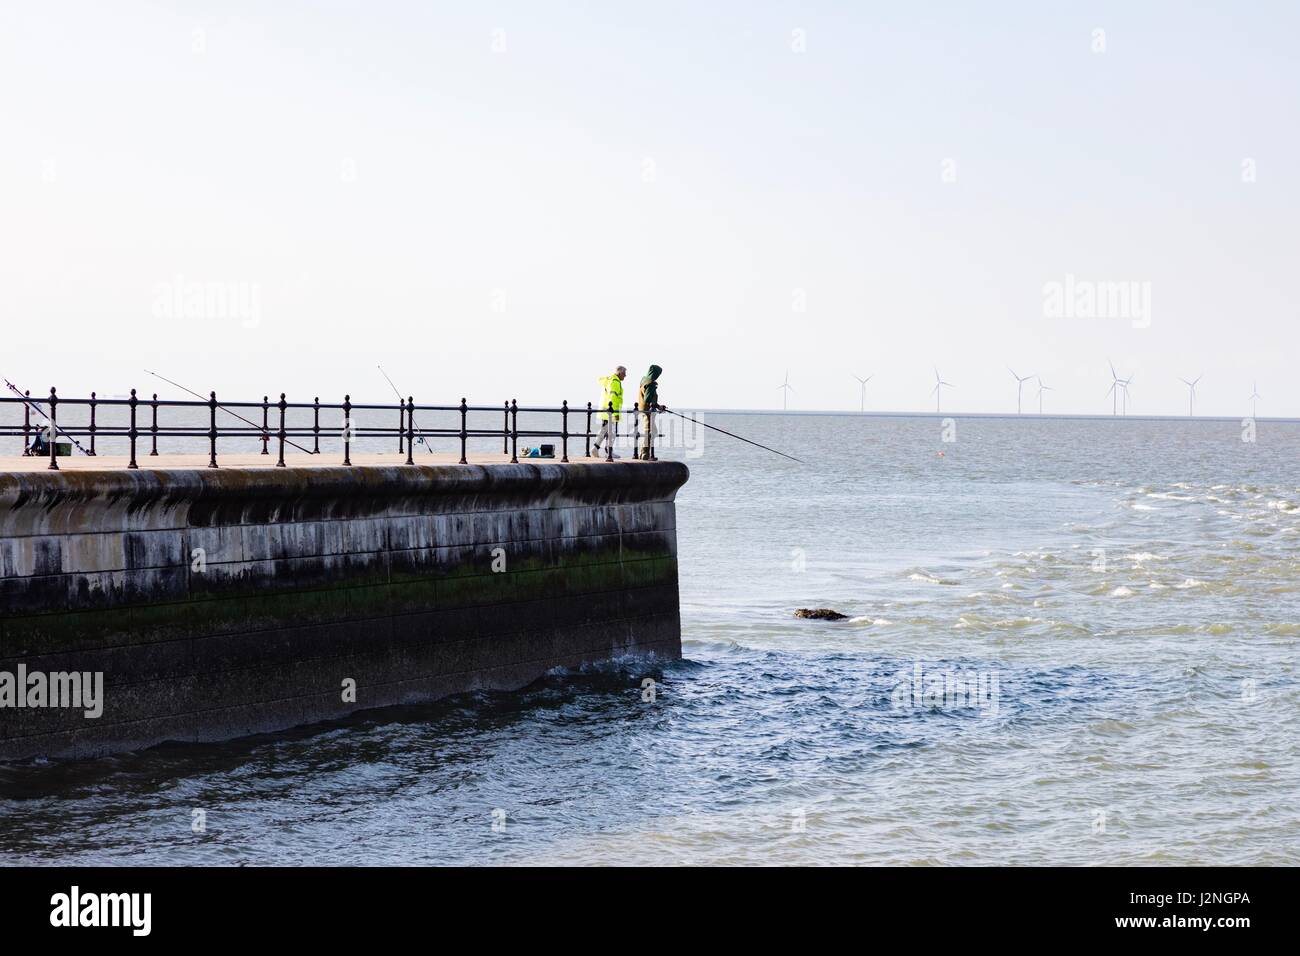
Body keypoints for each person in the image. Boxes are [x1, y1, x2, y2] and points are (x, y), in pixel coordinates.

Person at [592, 366, 626, 457]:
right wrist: (616, 413)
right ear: (619, 373)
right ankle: (608, 452)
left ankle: (596, 449)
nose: (625, 376)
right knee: (612, 431)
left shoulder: (610, 380)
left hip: (605, 410)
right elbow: (613, 399)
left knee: (604, 429)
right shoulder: (615, 382)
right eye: (624, 373)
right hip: (610, 411)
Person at [638, 364, 664, 460]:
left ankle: (643, 453)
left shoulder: (644, 381)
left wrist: (658, 406)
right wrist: (657, 406)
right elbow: (648, 398)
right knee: (649, 431)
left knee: (650, 431)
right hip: (647, 411)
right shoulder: (651, 383)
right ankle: (645, 454)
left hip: (642, 409)